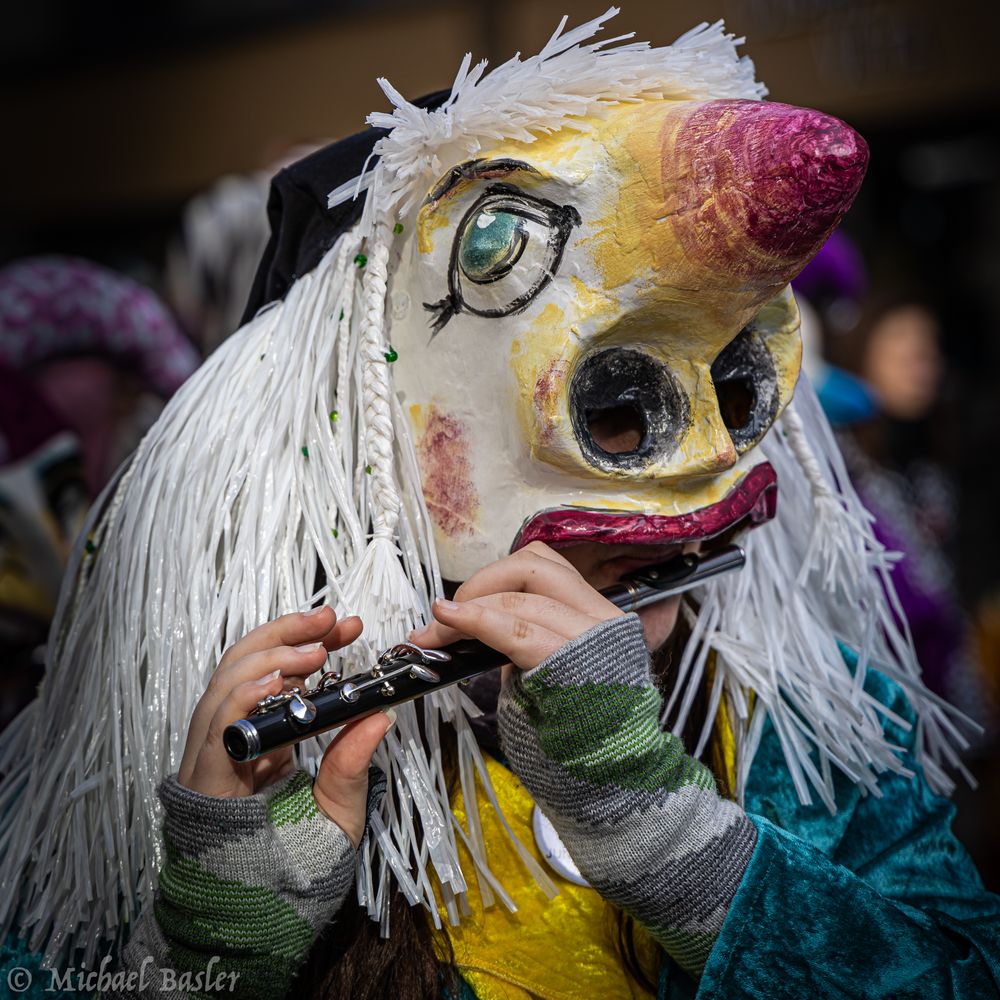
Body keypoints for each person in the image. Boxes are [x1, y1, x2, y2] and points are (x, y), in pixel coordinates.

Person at [1, 12, 998, 1000]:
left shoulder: (805, 727)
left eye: (733, 394)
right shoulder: (218, 778)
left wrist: (680, 847)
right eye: (609, 409)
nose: (673, 467)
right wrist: (200, 961)